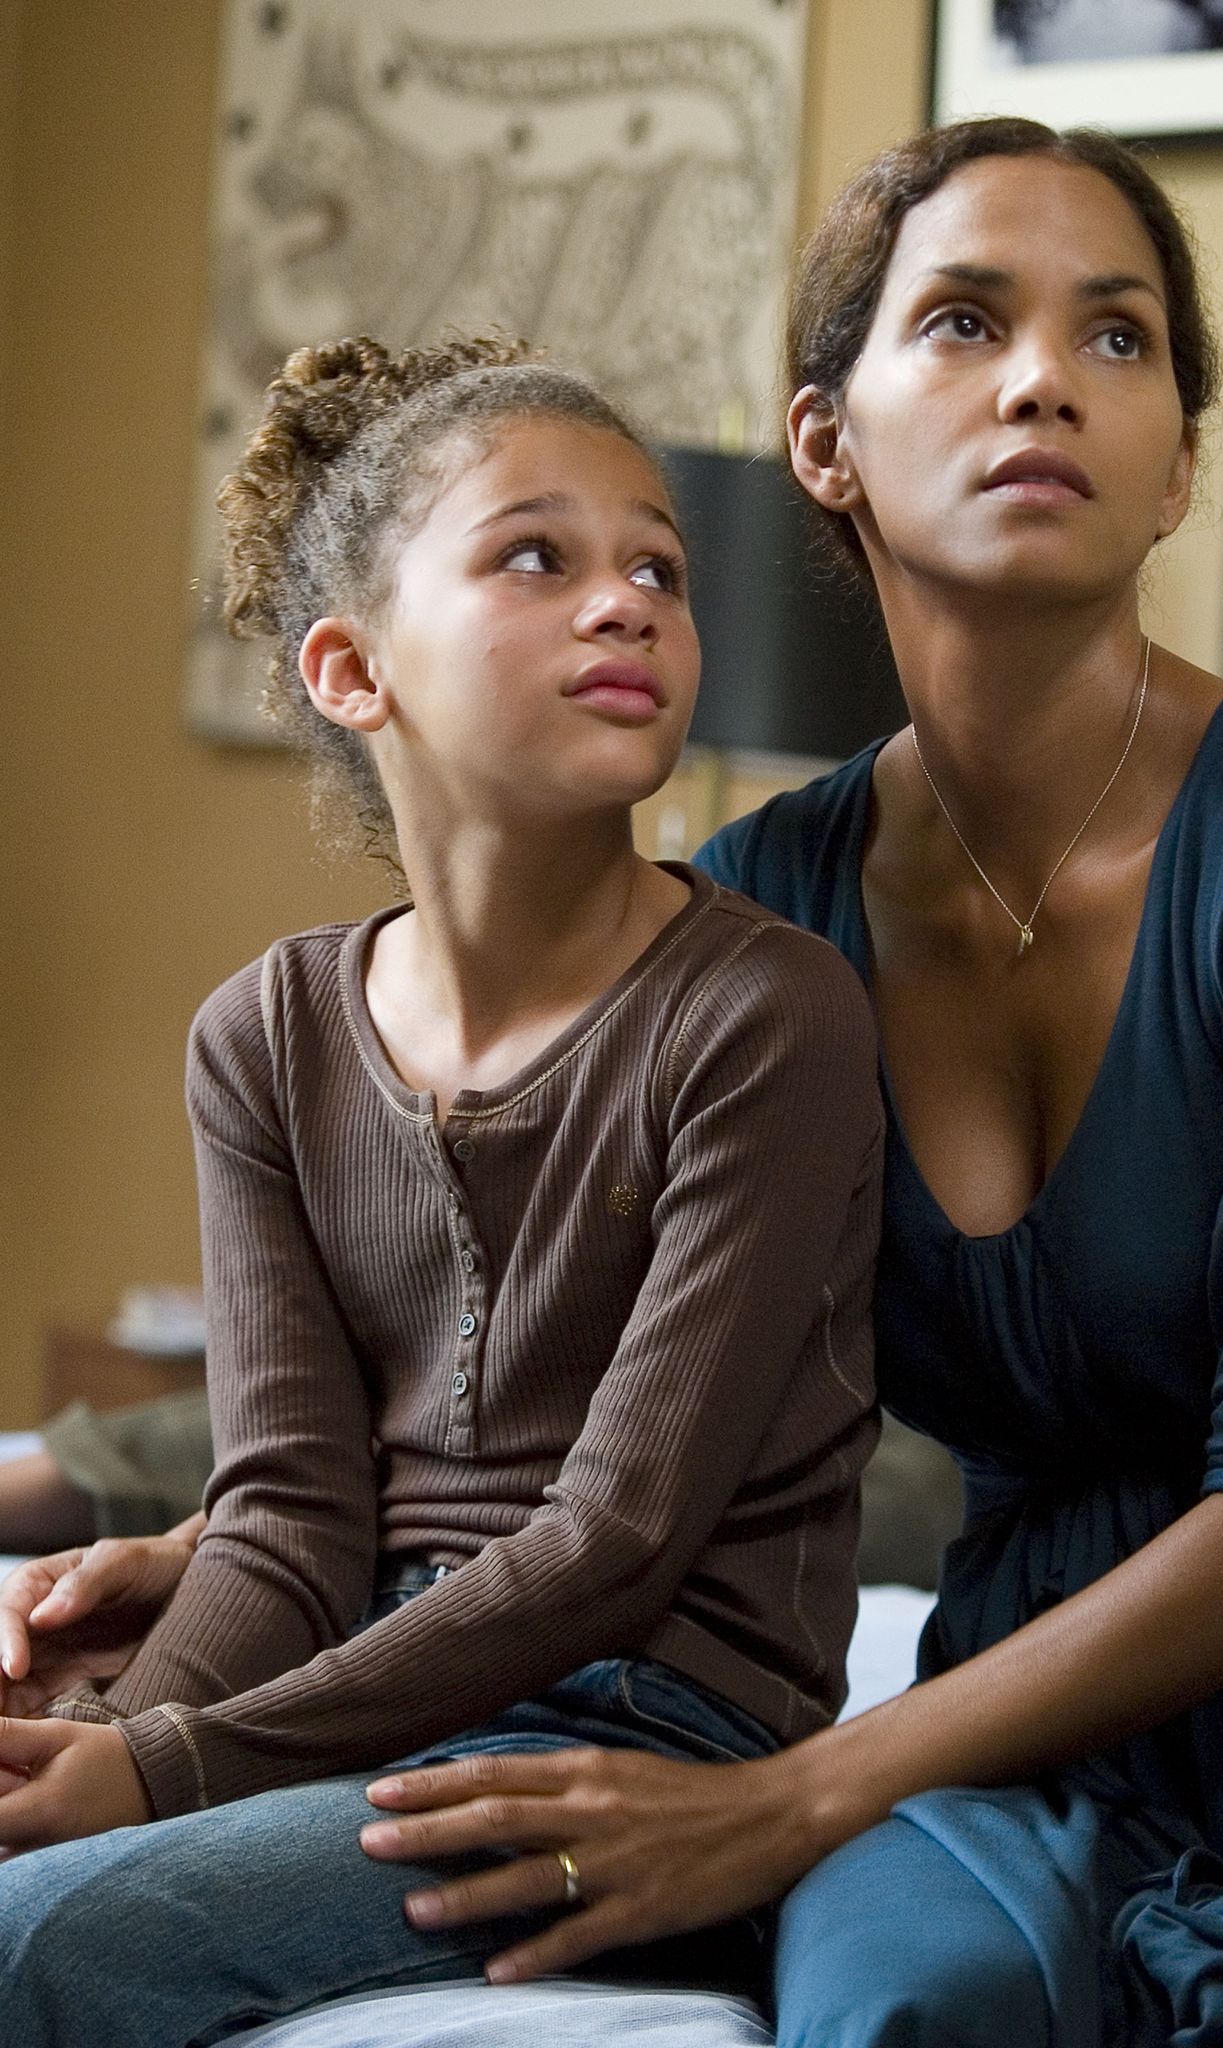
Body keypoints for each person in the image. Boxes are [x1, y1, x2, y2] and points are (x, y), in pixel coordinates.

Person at [8, 117, 1223, 2047]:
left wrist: (798, 1794)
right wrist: (180, 1538)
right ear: (827, 442)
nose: (1046, 378)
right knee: (887, 2027)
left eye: (1120, 339)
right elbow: (559, 1382)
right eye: (966, 320)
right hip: (1015, 1734)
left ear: (1178, 472)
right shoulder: (753, 918)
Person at [0, 334, 884, 2047]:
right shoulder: (261, 1037)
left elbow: (618, 1539)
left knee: (25, 1949)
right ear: (350, 668)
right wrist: (91, 1764)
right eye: (534, 555)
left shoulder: (766, 1014)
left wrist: (167, 1764)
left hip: (636, 1737)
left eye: (660, 569)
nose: (625, 602)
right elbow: (286, 1520)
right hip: (366, 1681)